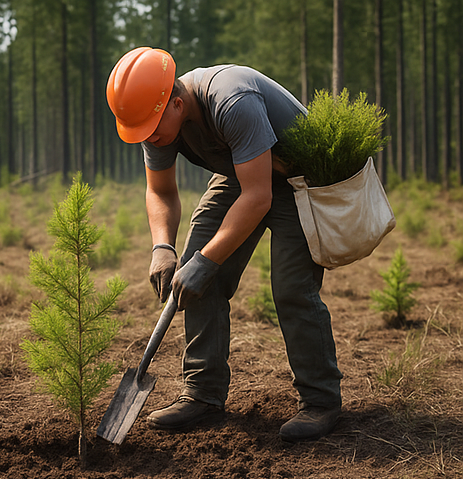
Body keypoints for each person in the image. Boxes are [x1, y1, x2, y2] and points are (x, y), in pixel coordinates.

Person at [106, 47, 342, 442]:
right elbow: (161, 192)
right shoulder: (156, 120)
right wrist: (163, 247)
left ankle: (321, 401)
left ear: (177, 103)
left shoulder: (232, 100)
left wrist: (207, 259)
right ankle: (203, 394)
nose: (149, 138)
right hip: (242, 175)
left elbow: (259, 197)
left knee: (291, 289)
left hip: (296, 181)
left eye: (151, 128)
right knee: (194, 279)